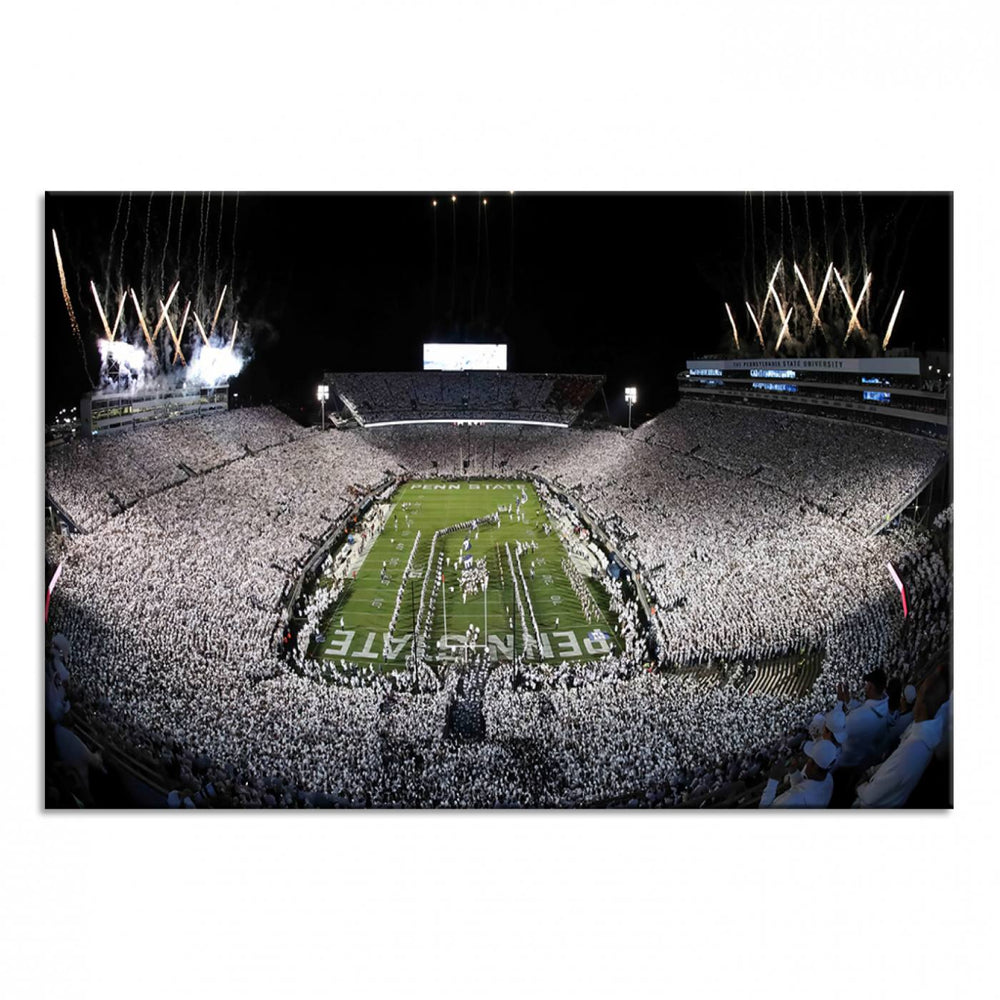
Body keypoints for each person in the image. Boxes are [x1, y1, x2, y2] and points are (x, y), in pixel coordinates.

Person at [853, 670, 949, 807]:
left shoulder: (914, 748)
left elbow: (871, 796)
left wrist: (860, 785)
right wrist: (872, 771)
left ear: (922, 703)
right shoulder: (924, 735)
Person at [759, 738, 838, 808]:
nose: (807, 760)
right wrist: (793, 771)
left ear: (815, 766)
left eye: (809, 758)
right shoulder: (828, 779)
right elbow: (802, 787)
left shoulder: (793, 799)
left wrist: (773, 779)